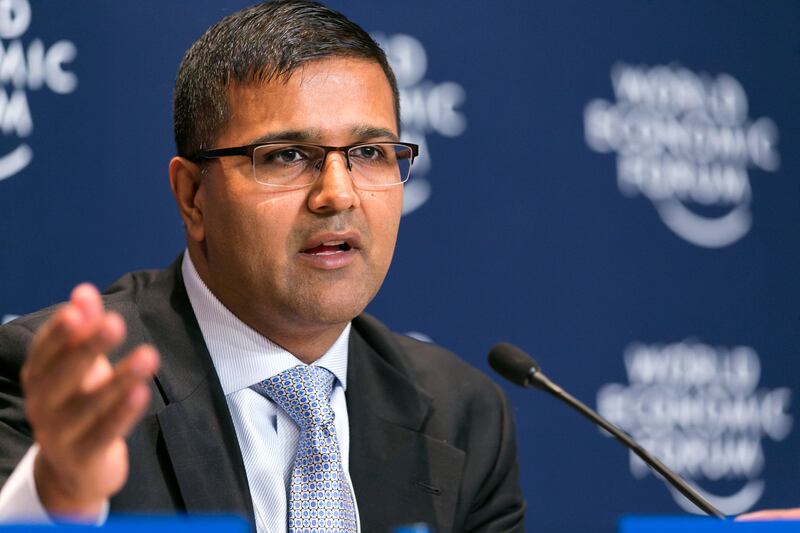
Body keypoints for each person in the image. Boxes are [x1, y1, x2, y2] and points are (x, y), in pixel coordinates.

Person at [0, 1, 526, 532]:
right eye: (287, 156)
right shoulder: (68, 389)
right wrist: (59, 495)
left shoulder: (464, 415)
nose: (338, 194)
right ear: (193, 197)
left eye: (369, 152)